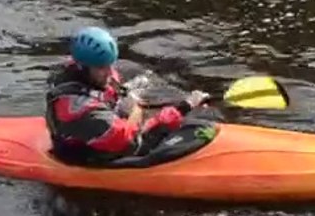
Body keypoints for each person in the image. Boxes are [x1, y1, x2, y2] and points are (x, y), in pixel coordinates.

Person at [45, 26, 209, 165]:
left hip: (94, 131)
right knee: (172, 123)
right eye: (102, 68)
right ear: (82, 67)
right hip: (96, 152)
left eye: (110, 64)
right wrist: (182, 108)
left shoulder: (78, 70)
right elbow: (131, 139)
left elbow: (114, 91)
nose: (109, 73)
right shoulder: (81, 110)